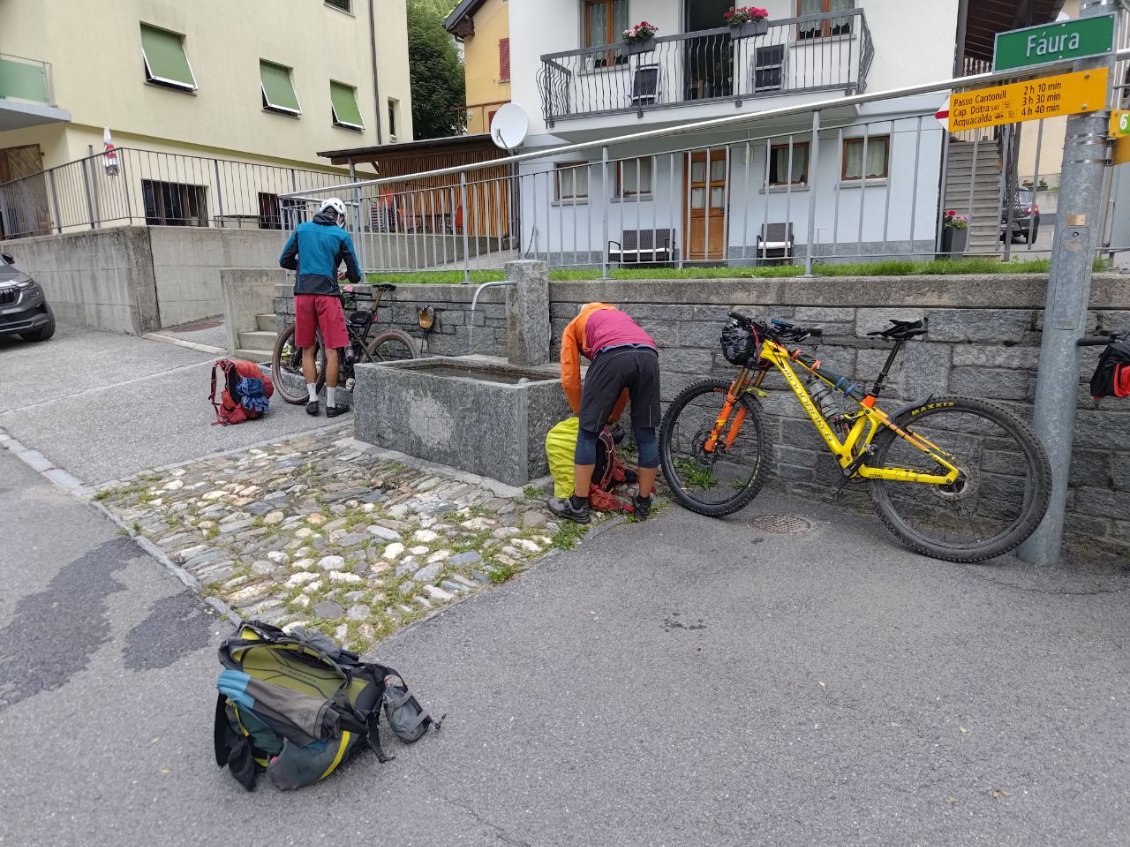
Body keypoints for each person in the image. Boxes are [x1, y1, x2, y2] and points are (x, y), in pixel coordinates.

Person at [548, 302, 661, 524]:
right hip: (649, 355)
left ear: (581, 311)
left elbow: (570, 379)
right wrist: (611, 417)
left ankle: (578, 505)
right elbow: (623, 387)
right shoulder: (619, 317)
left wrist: (583, 413)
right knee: (646, 433)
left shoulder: (574, 324)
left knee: (587, 434)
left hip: (611, 355)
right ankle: (643, 503)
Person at [279, 198, 361, 417]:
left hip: (303, 294)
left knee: (307, 347)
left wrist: (304, 265)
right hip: (328, 295)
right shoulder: (341, 235)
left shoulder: (302, 229)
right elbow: (356, 274)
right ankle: (331, 405)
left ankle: (313, 400)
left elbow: (284, 260)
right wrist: (339, 272)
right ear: (340, 217)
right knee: (332, 349)